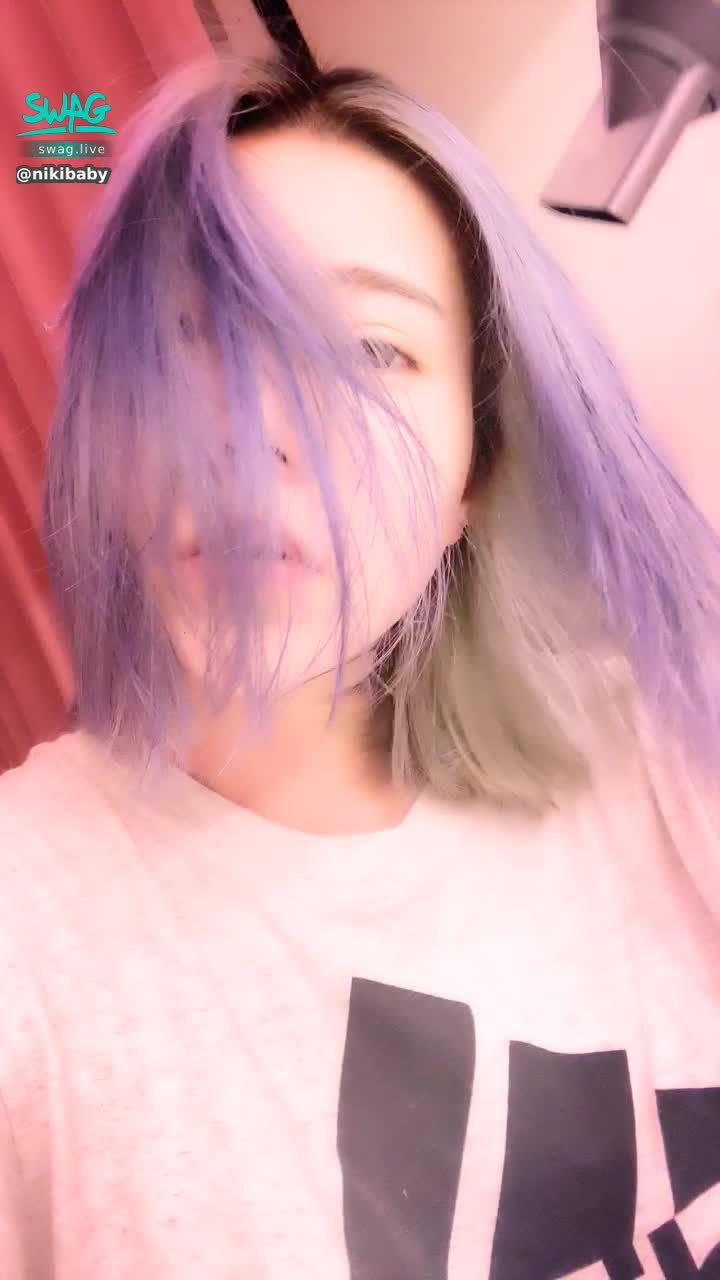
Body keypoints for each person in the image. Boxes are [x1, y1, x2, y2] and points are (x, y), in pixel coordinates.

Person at [1, 51, 719, 1280]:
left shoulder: (655, 733)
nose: (255, 431)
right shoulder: (33, 928)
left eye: (373, 353)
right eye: (189, 338)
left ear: (474, 473)